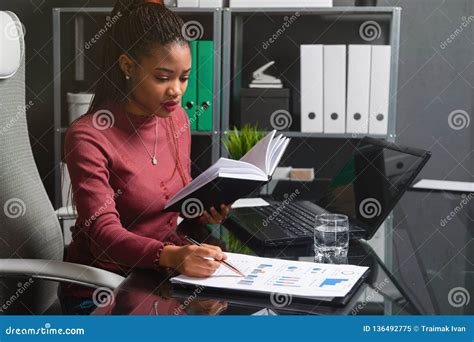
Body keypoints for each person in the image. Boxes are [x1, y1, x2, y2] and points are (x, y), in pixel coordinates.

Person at [60, 0, 229, 314]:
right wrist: (173, 256)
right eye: (163, 77)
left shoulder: (176, 119)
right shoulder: (88, 136)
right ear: (128, 66)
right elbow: (103, 236)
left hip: (158, 280)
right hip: (101, 292)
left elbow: (175, 199)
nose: (176, 91)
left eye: (184, 77)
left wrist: (201, 211)